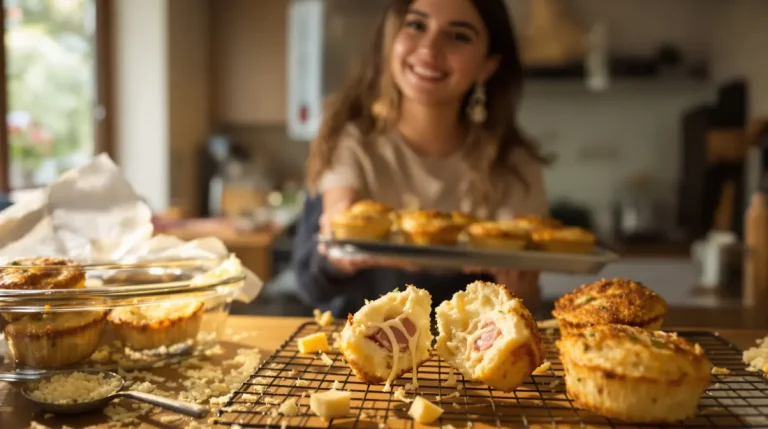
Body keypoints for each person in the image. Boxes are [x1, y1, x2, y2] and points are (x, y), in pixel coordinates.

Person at [291, 0, 550, 318]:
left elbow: (528, 306)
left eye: (458, 36)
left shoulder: (514, 166)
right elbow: (310, 283)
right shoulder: (349, 139)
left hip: (468, 356)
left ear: (488, 65)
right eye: (416, 25)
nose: (429, 49)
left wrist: (519, 293)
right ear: (391, 37)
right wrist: (340, 252)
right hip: (360, 350)